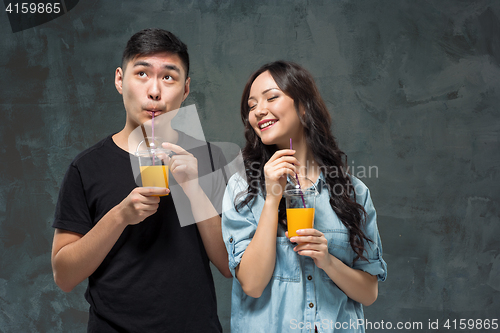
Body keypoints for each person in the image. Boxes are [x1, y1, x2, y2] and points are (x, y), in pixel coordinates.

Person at [51, 28, 231, 332]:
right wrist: (120, 216)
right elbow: (64, 276)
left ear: (186, 89)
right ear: (120, 80)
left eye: (169, 77)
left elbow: (229, 265)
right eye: (142, 74)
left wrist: (194, 189)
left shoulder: (208, 158)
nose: (155, 91)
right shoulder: (87, 167)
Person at [221, 61, 387, 333]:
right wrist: (273, 197)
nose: (259, 111)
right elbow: (251, 284)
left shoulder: (354, 191)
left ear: (304, 107)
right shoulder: (242, 188)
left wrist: (328, 261)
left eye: (271, 97)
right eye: (251, 106)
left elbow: (369, 293)